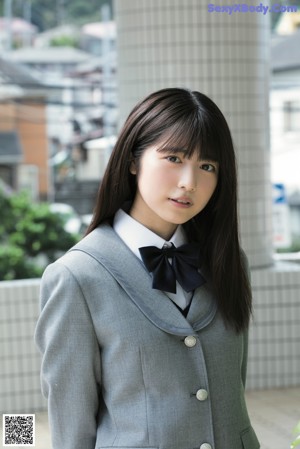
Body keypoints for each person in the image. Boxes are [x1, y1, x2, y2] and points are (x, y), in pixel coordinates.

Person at [35, 87, 260, 449]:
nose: (190, 182)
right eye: (174, 158)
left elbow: (233, 388)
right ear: (133, 159)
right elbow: (71, 424)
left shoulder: (230, 262)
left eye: (207, 166)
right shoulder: (77, 277)